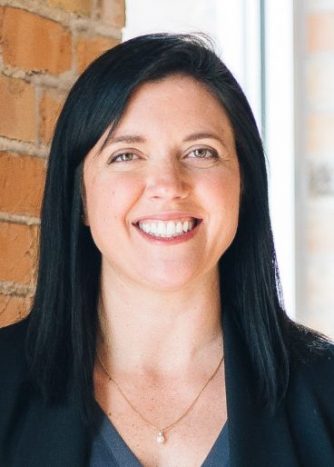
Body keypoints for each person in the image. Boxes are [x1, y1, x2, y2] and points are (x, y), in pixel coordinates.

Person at [0, 33, 334, 467]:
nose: (168, 186)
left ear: (243, 186)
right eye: (126, 155)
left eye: (200, 152)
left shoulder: (326, 390)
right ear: (80, 196)